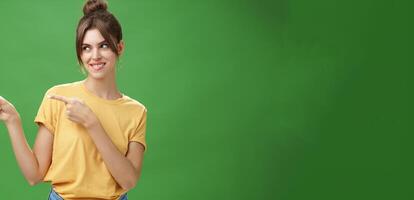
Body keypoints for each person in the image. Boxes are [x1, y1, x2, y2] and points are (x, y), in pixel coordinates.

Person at [0, 0, 147, 199]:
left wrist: (92, 123)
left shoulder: (136, 111)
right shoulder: (58, 98)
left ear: (119, 47)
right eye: (86, 48)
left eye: (103, 45)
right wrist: (13, 121)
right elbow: (34, 176)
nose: (94, 56)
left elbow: (129, 181)